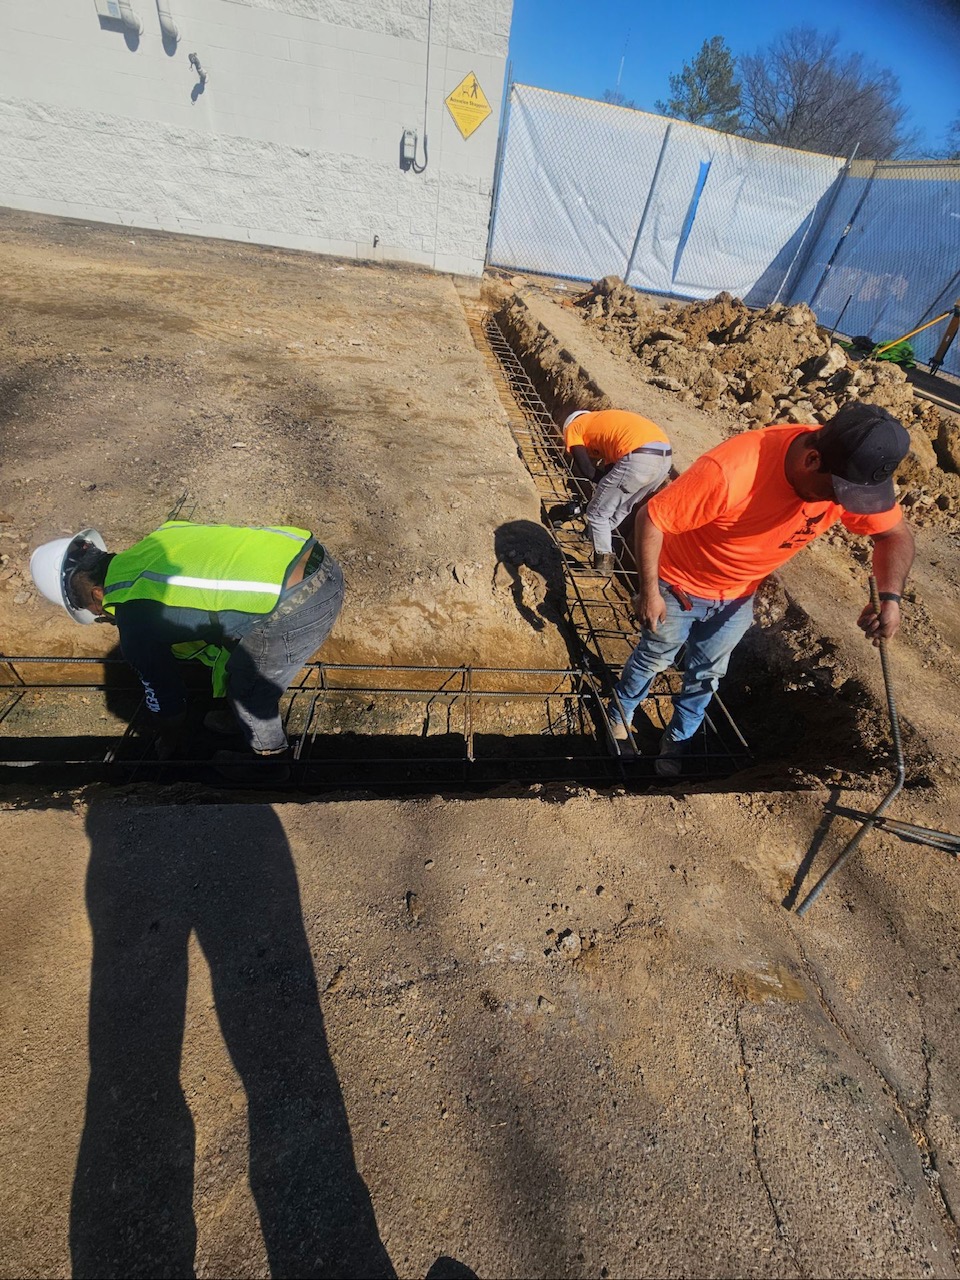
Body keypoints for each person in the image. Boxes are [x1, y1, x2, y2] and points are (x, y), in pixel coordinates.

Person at [608, 402, 916, 777]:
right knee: (654, 657)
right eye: (838, 494)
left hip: (737, 595)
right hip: (679, 587)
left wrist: (890, 597)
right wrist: (650, 590)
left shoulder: (848, 467)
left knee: (707, 673)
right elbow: (652, 517)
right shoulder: (731, 471)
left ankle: (678, 741)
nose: (844, 506)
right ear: (812, 461)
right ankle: (620, 712)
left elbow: (894, 534)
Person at [29, 519, 343, 780]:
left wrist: (170, 739)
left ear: (97, 593)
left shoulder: (135, 619)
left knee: (249, 691)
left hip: (301, 603)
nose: (101, 616)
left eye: (93, 609)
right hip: (317, 557)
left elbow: (168, 702)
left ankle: (272, 767)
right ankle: (238, 721)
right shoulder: (161, 536)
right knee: (241, 666)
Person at [555, 408, 673, 574]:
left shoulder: (574, 427)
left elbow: (587, 469)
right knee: (621, 508)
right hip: (664, 459)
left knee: (596, 513)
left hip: (639, 457)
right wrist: (604, 489)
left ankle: (602, 570)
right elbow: (610, 476)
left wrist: (596, 499)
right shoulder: (606, 427)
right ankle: (595, 541)